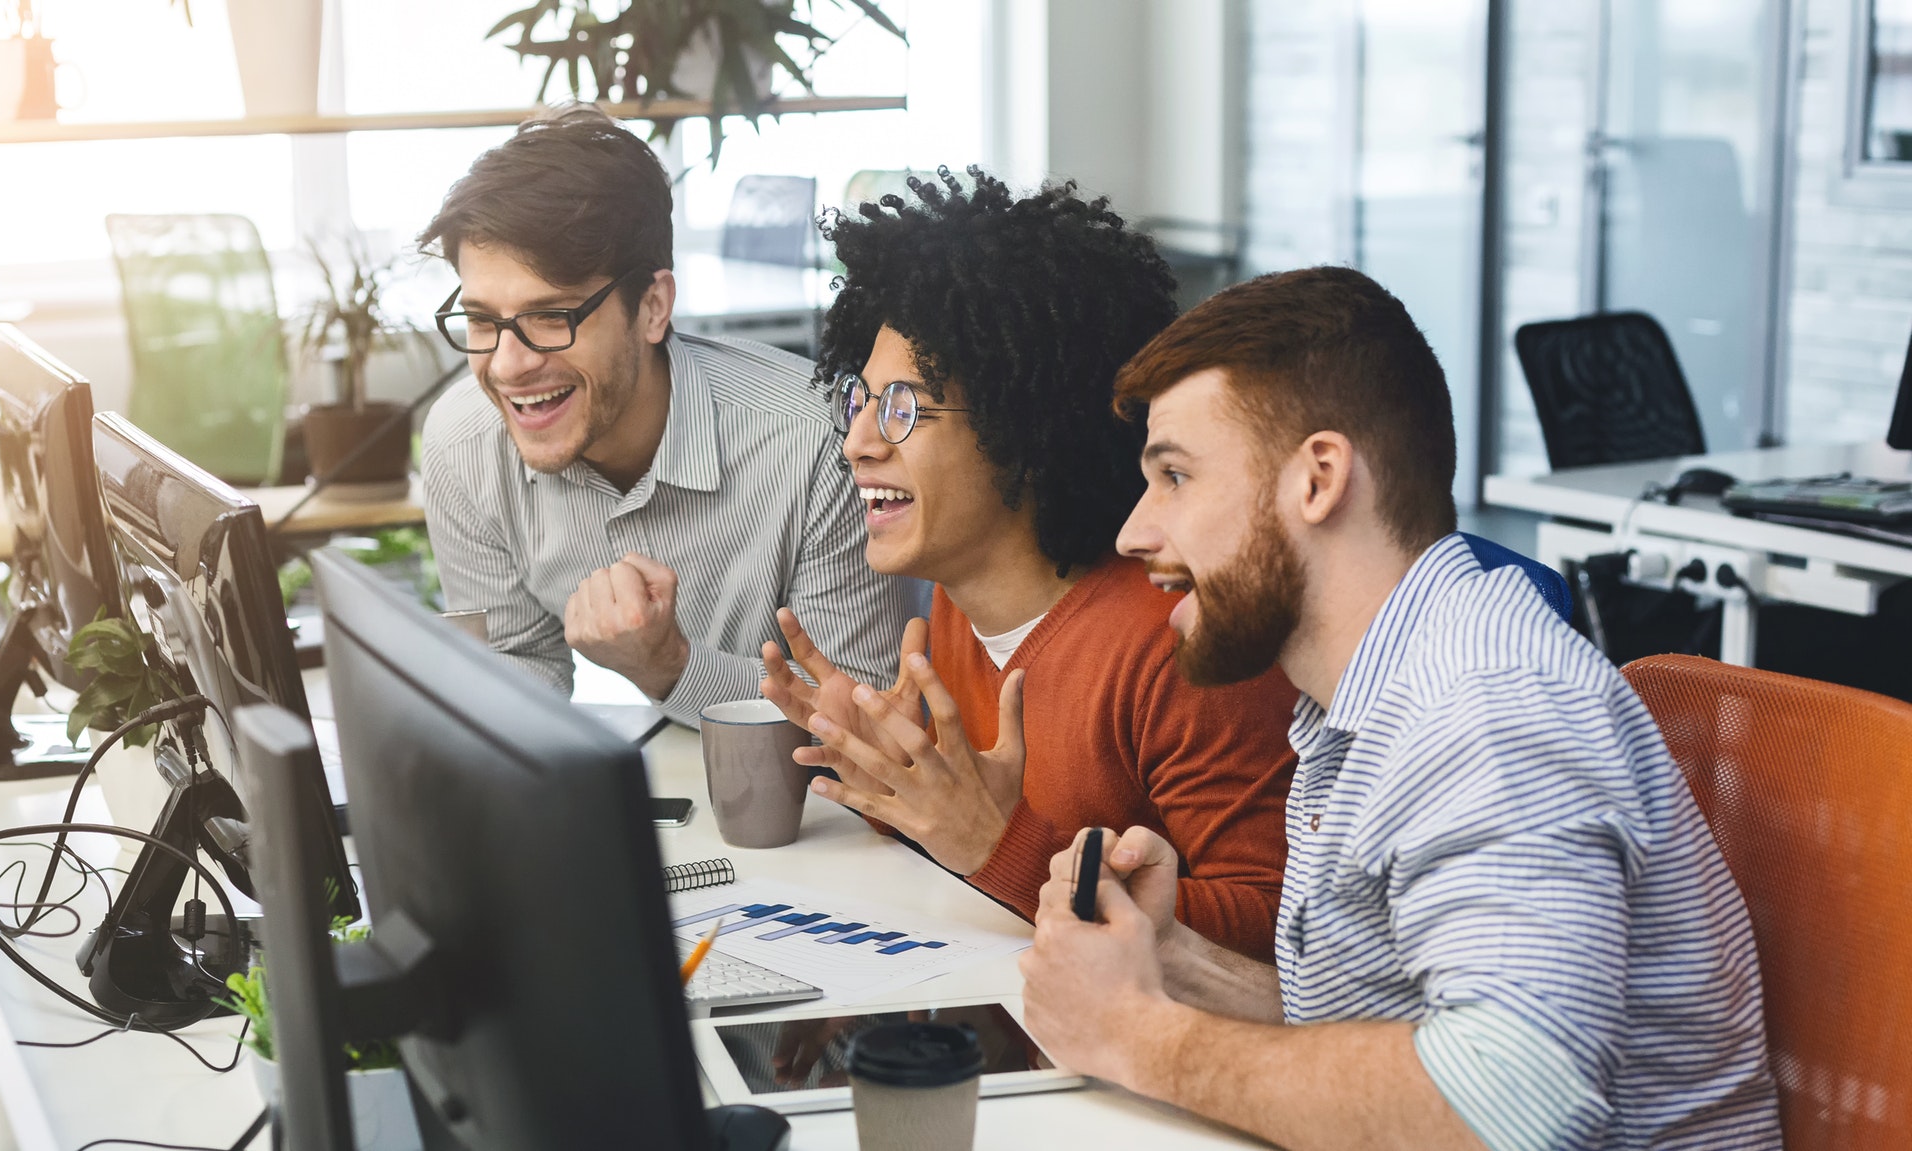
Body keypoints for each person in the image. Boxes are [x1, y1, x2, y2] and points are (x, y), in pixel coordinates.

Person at [1019, 267, 1779, 1150]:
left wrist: (1135, 1036)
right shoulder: (1374, 698)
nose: (1134, 531)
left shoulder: (1487, 705)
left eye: (1176, 476)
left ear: (1318, 479)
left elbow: (1509, 1102)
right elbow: (1400, 1037)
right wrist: (1171, 962)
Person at [759, 169, 1298, 960]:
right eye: (859, 401)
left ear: (1026, 428)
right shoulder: (957, 604)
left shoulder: (1180, 644)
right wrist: (896, 778)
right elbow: (977, 860)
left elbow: (1278, 936)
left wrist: (999, 844)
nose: (858, 443)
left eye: (903, 407)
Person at [416, 106, 908, 725]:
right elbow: (517, 662)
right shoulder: (463, 440)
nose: (509, 367)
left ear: (653, 307)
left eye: (551, 318)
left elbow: (864, 717)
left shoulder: (819, 441)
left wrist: (670, 665)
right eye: (483, 321)